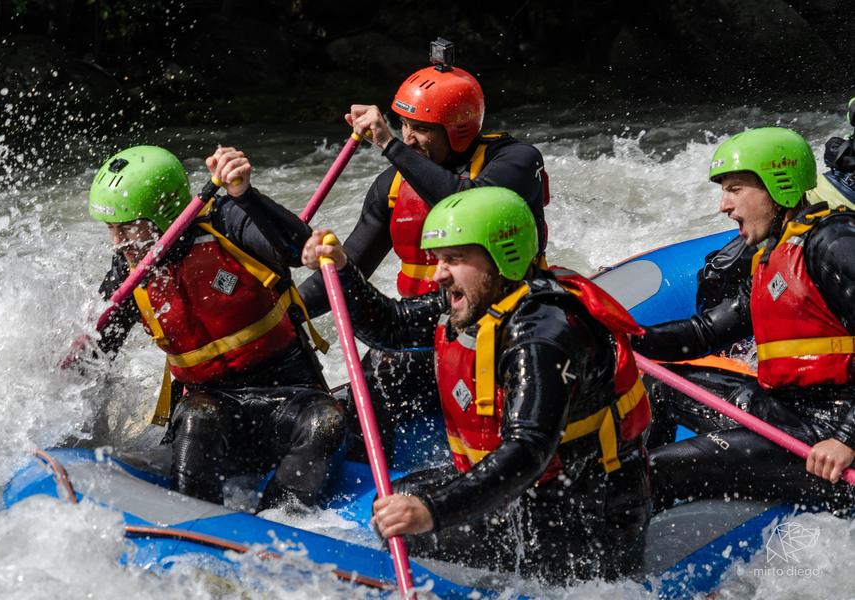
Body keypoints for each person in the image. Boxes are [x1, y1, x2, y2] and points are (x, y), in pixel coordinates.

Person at [301, 187, 651, 584]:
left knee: (410, 527)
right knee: (398, 496)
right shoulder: (484, 299)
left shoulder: (543, 336)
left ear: (504, 256)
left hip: (586, 525)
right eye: (437, 260)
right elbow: (392, 325)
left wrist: (432, 511)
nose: (438, 273)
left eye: (455, 259)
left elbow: (528, 449)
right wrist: (344, 270)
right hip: (536, 499)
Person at [298, 42, 550, 457]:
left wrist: (389, 144)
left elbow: (470, 202)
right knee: (379, 363)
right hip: (417, 323)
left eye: (422, 129)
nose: (409, 139)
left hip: (500, 312)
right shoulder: (392, 185)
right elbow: (352, 265)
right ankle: (367, 464)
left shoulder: (516, 161)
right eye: (403, 126)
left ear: (458, 129)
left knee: (387, 362)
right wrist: (288, 309)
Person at [83, 145, 345, 508]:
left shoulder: (227, 221)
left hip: (291, 397)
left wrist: (245, 194)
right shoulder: (130, 271)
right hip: (212, 410)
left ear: (164, 213)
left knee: (326, 420)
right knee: (195, 417)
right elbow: (98, 354)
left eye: (126, 227)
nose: (117, 241)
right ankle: (196, 520)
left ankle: (282, 519)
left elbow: (294, 249)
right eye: (111, 228)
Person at [633, 127, 855, 514]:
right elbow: (704, 333)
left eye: (735, 189)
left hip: (826, 439)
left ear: (778, 186)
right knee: (656, 388)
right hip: (786, 413)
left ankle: (631, 533)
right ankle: (639, 507)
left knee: (656, 469)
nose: (724, 205)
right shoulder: (775, 254)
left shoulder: (833, 244)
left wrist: (846, 439)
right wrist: (621, 334)